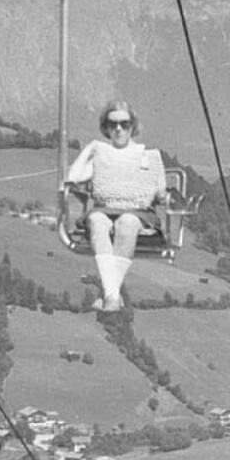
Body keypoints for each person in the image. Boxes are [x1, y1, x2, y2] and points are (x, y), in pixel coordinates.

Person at [62, 102, 168, 310]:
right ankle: (112, 295)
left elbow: (160, 192)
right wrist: (90, 149)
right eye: (113, 124)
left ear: (132, 126)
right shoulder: (101, 153)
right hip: (105, 209)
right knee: (96, 220)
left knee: (126, 222)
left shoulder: (147, 155)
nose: (118, 129)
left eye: (124, 124)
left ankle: (109, 295)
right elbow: (72, 177)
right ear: (106, 128)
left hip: (138, 212)